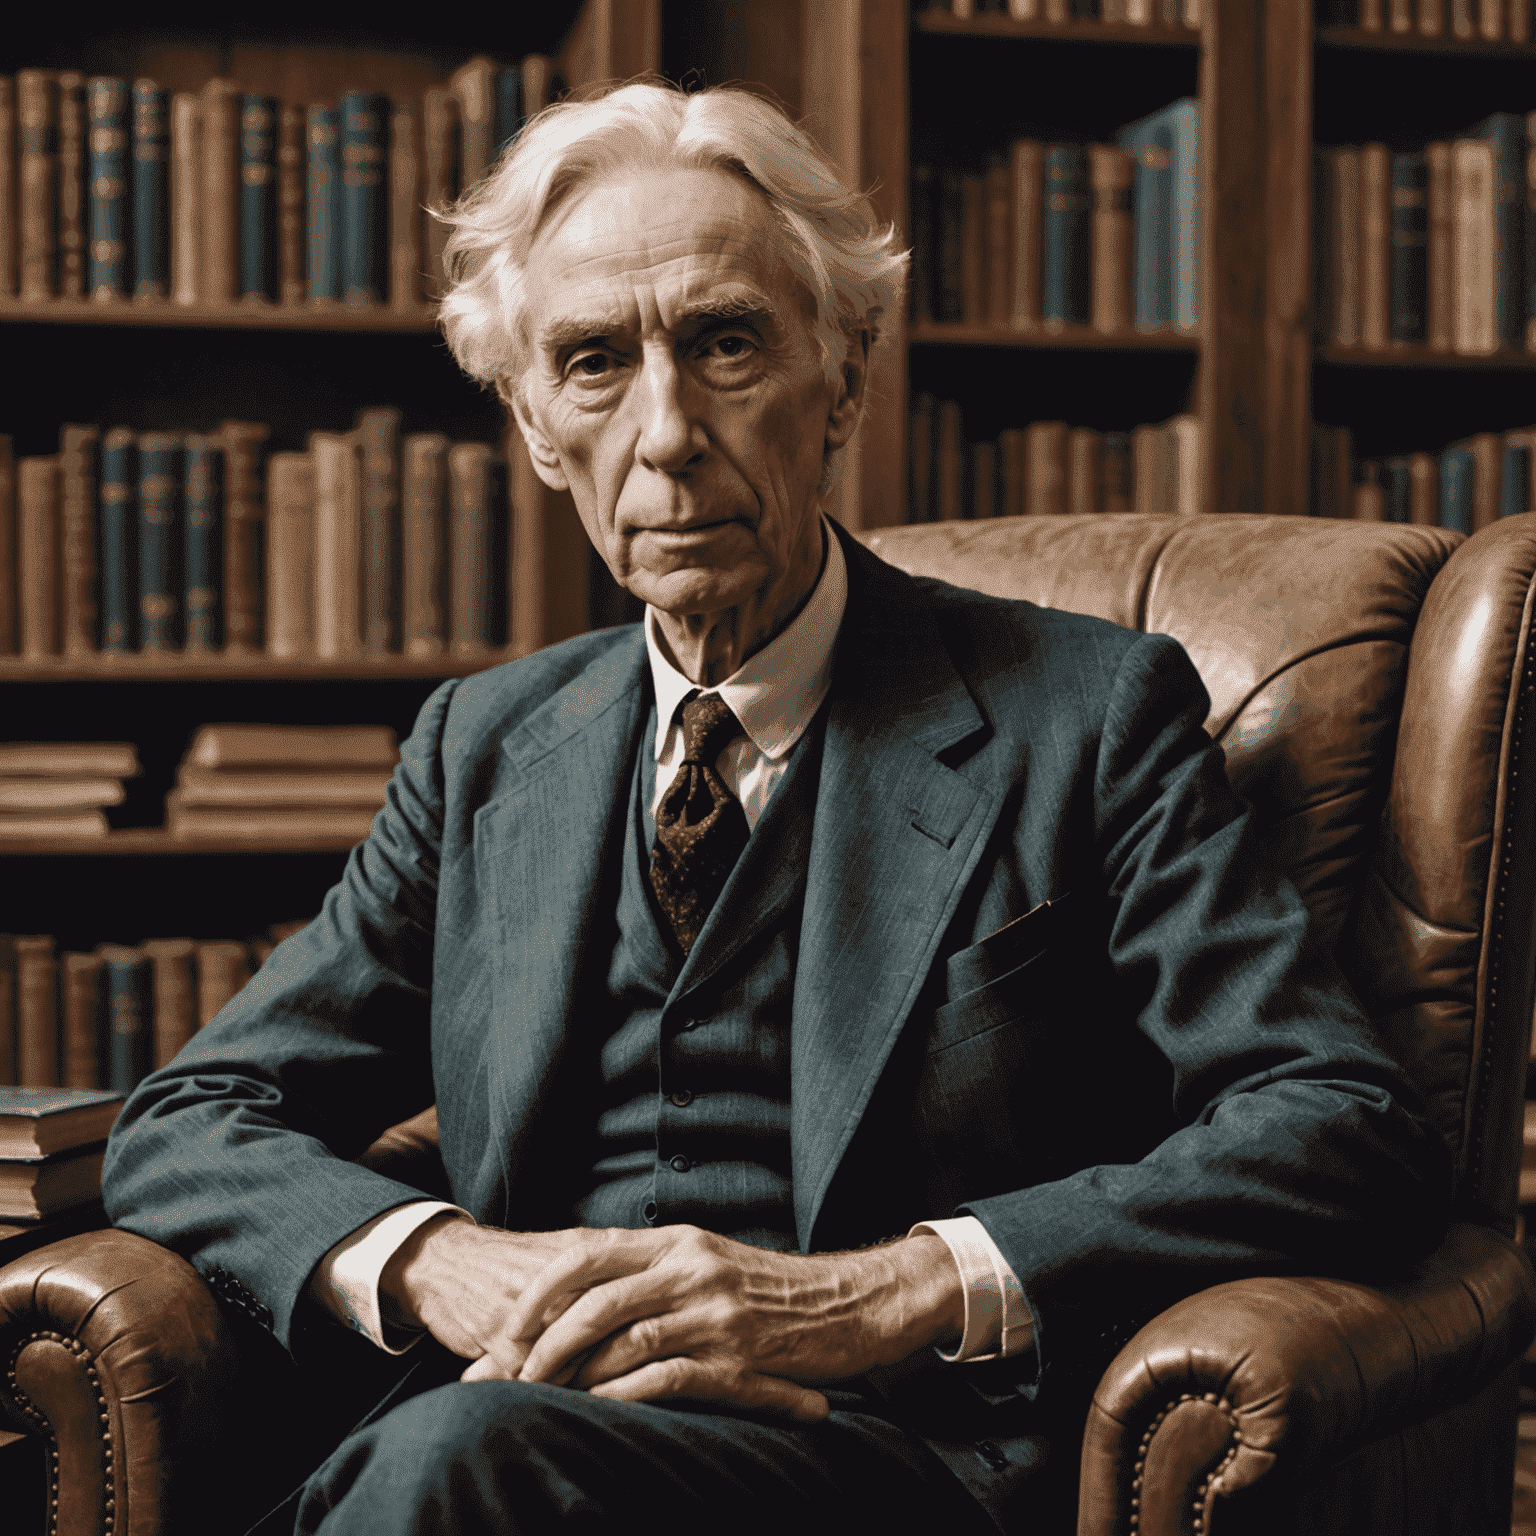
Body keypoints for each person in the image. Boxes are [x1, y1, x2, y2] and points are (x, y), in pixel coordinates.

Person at [102, 80, 1450, 1535]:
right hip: (505, 1433)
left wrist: (878, 1293)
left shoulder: (1094, 714)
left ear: (845, 378)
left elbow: (1340, 1123)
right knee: (446, 1455)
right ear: (537, 425)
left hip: (881, 1455)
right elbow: (189, 1116)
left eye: (726, 343)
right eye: (594, 363)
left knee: (446, 1469)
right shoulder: (483, 748)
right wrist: (434, 1259)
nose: (667, 433)